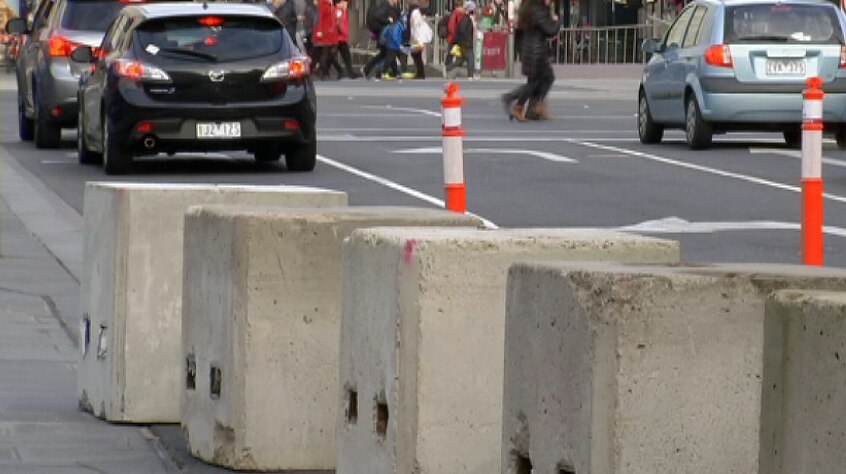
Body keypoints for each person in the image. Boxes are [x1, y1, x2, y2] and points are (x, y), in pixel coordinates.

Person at [500, 0, 558, 121]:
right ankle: (517, 102)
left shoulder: (529, 7)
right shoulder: (537, 9)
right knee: (537, 81)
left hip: (532, 49)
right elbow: (549, 30)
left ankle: (528, 106)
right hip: (535, 50)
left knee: (541, 79)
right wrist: (556, 20)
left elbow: (520, 32)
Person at [363, 0, 402, 79]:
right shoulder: (385, 6)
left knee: (386, 53)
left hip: (386, 35)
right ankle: (386, 72)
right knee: (389, 53)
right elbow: (378, 16)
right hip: (385, 35)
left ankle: (367, 69)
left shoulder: (388, 6)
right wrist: (388, 21)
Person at [330, 0, 361, 78]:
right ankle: (343, 71)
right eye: (345, 3)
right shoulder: (339, 11)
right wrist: (341, 31)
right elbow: (338, 23)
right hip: (338, 38)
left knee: (346, 56)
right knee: (332, 56)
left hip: (341, 38)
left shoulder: (342, 11)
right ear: (340, 3)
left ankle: (349, 72)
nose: (346, 5)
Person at [446, 0, 476, 79]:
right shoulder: (464, 17)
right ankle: (470, 75)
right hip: (463, 42)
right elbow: (459, 29)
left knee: (460, 59)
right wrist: (464, 39)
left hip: (459, 41)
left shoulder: (463, 17)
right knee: (469, 57)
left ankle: (448, 68)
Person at [403, 3, 432, 79]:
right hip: (415, 38)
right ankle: (420, 72)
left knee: (415, 55)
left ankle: (420, 73)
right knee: (415, 54)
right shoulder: (416, 13)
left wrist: (418, 39)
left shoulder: (414, 13)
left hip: (416, 38)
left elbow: (415, 27)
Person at [313, 0, 339, 80]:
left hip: (331, 32)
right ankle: (323, 72)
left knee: (332, 52)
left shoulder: (330, 3)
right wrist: (320, 30)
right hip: (324, 31)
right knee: (325, 52)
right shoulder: (323, 3)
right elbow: (319, 17)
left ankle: (320, 70)